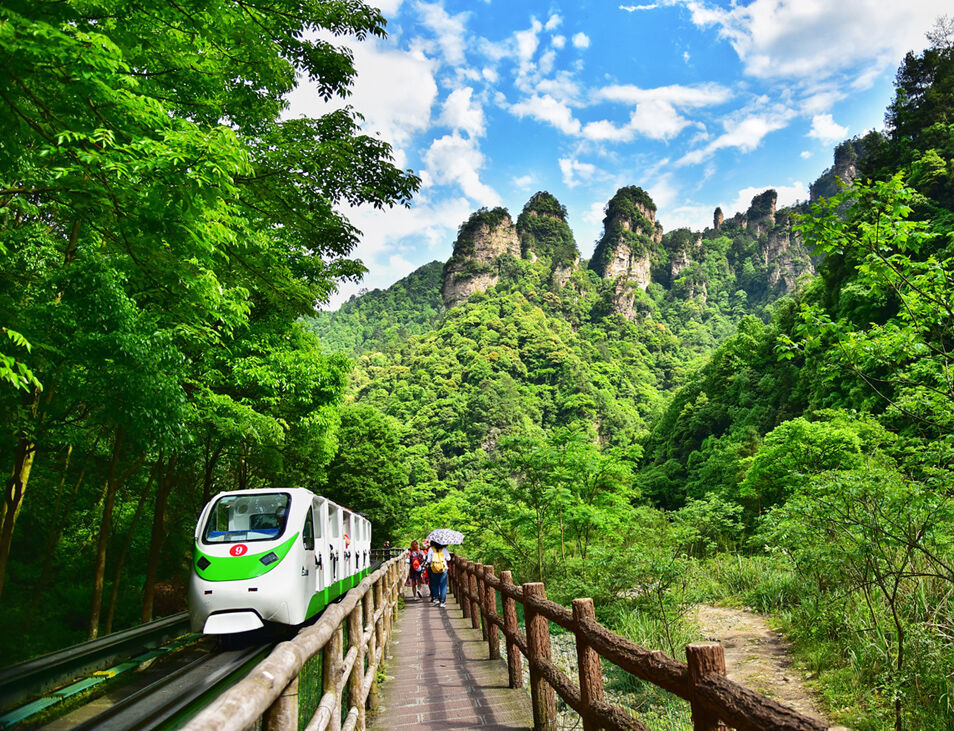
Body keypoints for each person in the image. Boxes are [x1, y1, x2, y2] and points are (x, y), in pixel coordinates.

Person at [425, 541, 450, 607]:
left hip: (433, 569)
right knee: (443, 585)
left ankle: (436, 599)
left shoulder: (431, 549)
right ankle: (442, 601)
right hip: (443, 568)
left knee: (434, 584)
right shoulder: (444, 549)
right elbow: (448, 558)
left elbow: (429, 560)